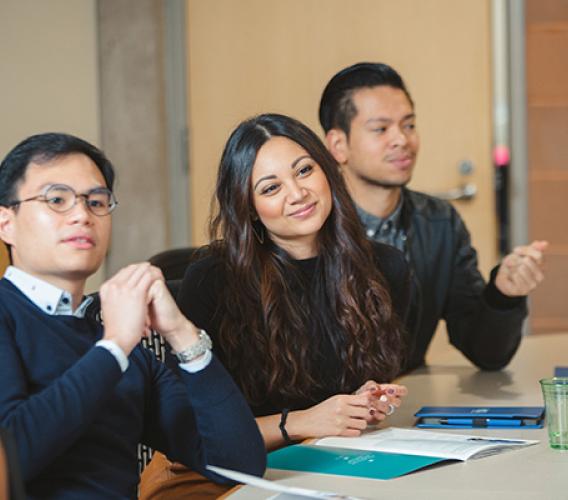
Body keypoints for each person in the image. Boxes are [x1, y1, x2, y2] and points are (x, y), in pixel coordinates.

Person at [139, 113, 410, 497]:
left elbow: (335, 399)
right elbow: (192, 431)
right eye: (270, 188)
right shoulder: (213, 281)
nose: (297, 193)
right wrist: (300, 422)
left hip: (323, 464)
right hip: (211, 475)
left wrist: (360, 402)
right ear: (248, 207)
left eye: (304, 170)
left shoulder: (384, 268)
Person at [0, 133, 266, 499]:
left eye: (96, 201)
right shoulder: (19, 319)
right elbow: (12, 458)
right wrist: (113, 348)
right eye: (57, 199)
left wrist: (182, 334)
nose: (81, 215)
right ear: (5, 222)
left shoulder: (118, 342)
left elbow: (238, 462)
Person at [319, 62, 548, 372]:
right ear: (338, 145)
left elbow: (485, 352)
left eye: (409, 125)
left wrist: (503, 294)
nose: (402, 139)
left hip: (407, 403)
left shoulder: (439, 223)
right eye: (381, 129)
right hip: (326, 413)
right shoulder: (312, 225)